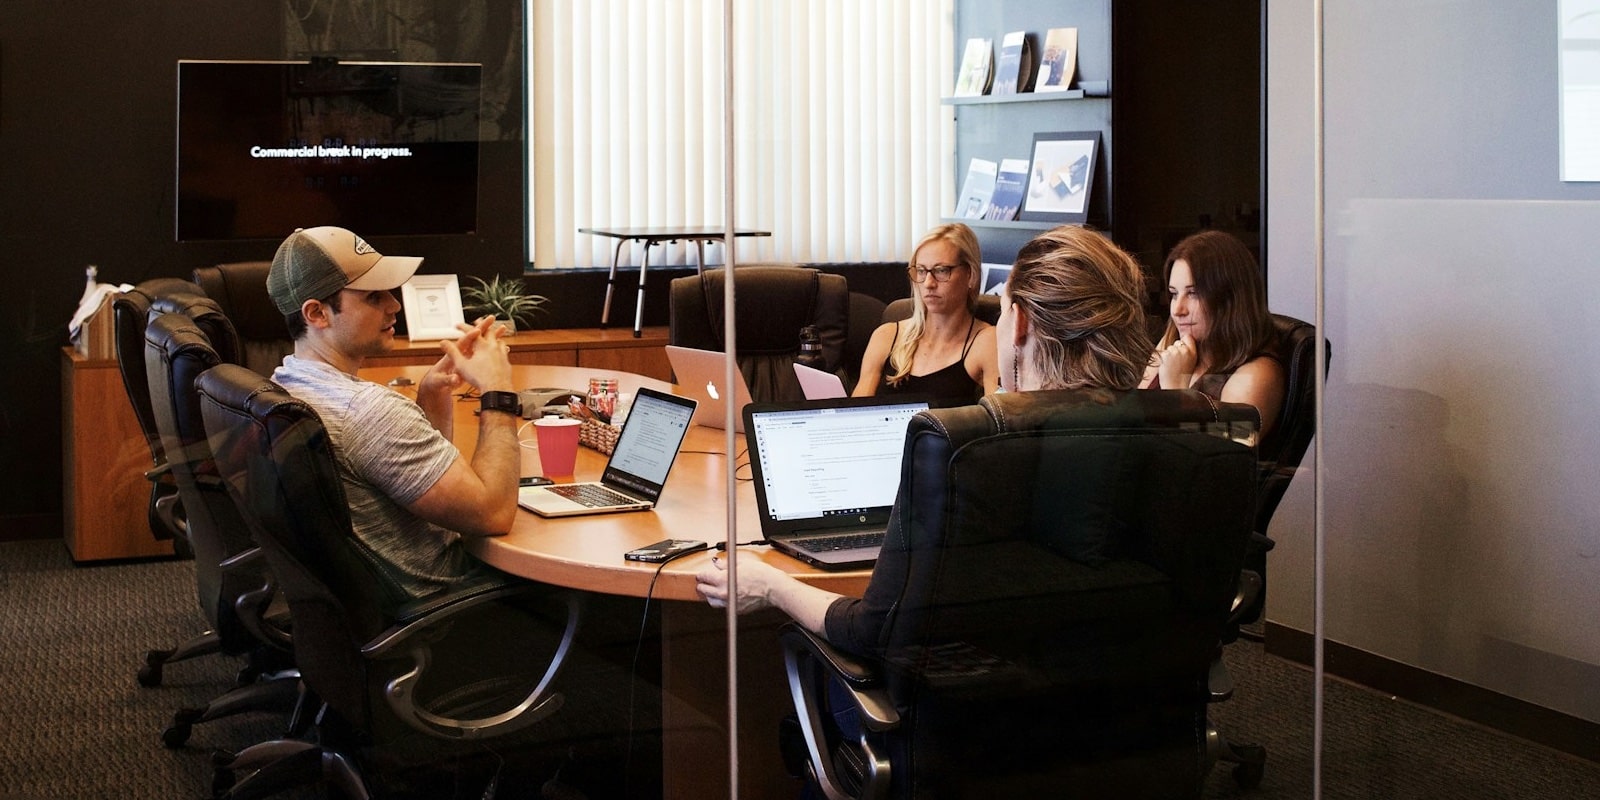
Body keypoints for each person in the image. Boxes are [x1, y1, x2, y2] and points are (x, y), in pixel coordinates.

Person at [696, 224, 1151, 650]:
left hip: (967, 712)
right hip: (1136, 713)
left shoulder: (963, 457)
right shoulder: (1183, 435)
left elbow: (871, 628)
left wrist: (770, 584)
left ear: (1022, 322)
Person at [267, 226, 522, 601]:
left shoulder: (285, 382)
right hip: (449, 607)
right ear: (317, 313)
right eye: (373, 296)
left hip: (366, 607)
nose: (394, 305)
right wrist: (498, 392)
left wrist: (431, 395)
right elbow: (493, 515)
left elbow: (410, 479)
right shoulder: (367, 411)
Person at [1143, 229, 1285, 437]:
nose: (1177, 310)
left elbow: (1219, 458)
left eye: (1193, 293)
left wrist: (1175, 391)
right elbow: (1131, 419)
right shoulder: (1174, 342)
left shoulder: (1257, 373)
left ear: (1230, 298)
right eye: (1174, 294)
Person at [853, 223, 999, 406]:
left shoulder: (987, 341)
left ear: (971, 275)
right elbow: (854, 416)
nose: (928, 283)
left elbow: (1001, 422)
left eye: (941, 271)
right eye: (921, 271)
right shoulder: (886, 336)